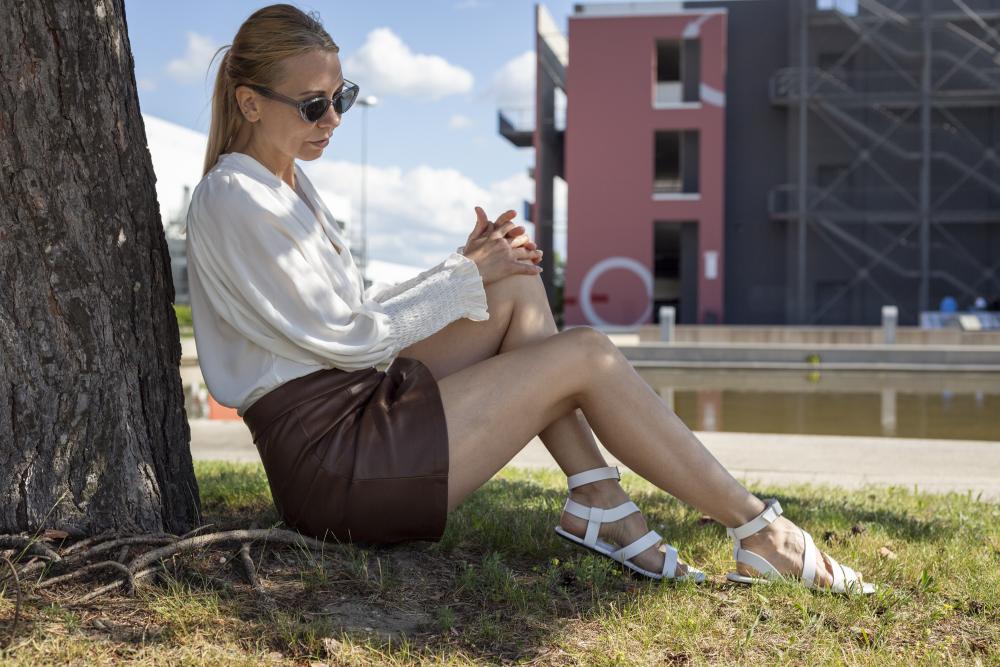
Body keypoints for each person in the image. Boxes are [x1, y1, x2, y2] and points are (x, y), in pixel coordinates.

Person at [186, 3, 873, 594]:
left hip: (356, 409)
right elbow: (353, 337)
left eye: (344, 96)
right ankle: (759, 530)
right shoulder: (235, 197)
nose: (332, 118)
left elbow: (353, 315)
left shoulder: (286, 186)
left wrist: (472, 268)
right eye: (314, 105)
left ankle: (601, 500)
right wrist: (462, 275)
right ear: (250, 103)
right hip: (336, 463)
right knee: (587, 356)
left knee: (515, 283)